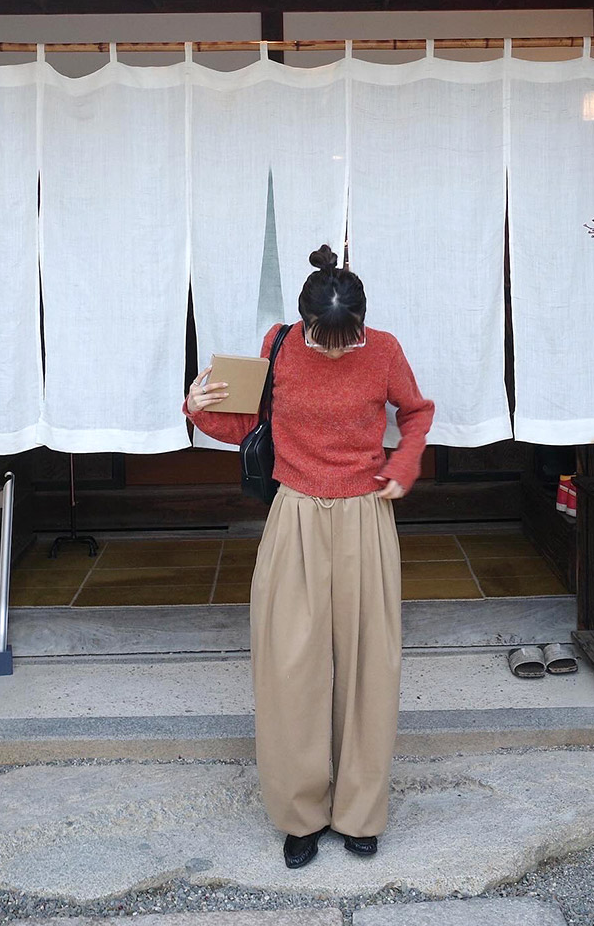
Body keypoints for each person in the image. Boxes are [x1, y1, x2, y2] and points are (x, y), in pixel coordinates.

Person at [183, 244, 434, 869]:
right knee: (289, 667)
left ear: (362, 324)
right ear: (304, 323)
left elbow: (416, 412)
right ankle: (301, 816)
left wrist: (403, 465)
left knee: (369, 667)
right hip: (294, 513)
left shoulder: (385, 350)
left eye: (347, 340)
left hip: (365, 514)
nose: (336, 351)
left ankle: (360, 812)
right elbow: (246, 425)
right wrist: (197, 409)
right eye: (324, 339)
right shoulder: (278, 346)